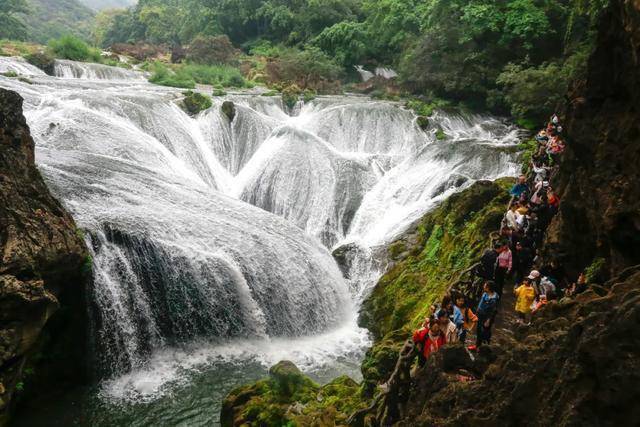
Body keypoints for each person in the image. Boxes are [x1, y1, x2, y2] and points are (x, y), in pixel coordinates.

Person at [473, 281, 499, 350]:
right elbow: (480, 304)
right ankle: (477, 345)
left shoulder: (494, 299)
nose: (483, 286)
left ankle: (485, 348)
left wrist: (488, 320)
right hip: (480, 315)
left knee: (485, 331)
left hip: (486, 317)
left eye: (485, 286)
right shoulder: (485, 294)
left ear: (488, 288)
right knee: (478, 330)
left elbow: (493, 311)